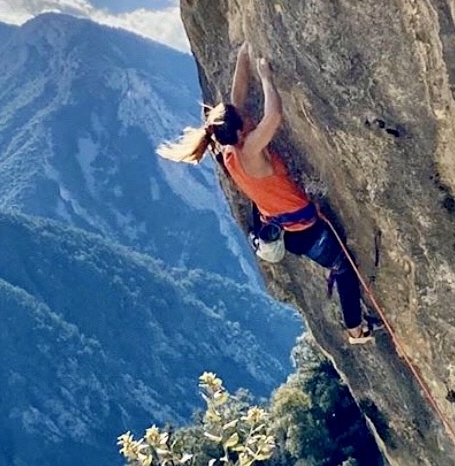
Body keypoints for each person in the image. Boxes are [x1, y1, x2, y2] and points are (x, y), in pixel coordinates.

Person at [158, 42, 372, 344]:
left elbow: (237, 97)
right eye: (245, 119)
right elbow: (273, 117)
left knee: (339, 266)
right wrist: (267, 78)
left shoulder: (229, 151)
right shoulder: (250, 151)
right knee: (343, 267)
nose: (249, 117)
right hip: (307, 232)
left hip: (288, 230)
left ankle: (356, 325)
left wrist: (243, 56)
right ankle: (355, 331)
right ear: (241, 132)